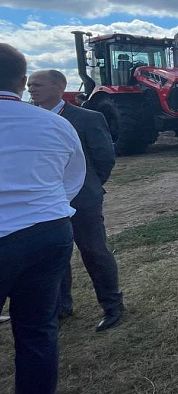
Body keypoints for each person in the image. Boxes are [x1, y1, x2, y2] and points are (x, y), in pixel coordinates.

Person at [0, 43, 85, 393]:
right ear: (21, 82)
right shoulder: (55, 124)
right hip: (48, 232)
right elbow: (72, 178)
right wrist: (44, 207)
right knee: (38, 329)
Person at [27, 70, 123, 332]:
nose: (31, 89)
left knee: (93, 250)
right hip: (46, 200)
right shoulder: (30, 120)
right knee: (54, 254)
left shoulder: (86, 118)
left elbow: (104, 158)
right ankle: (61, 306)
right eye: (28, 85)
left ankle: (112, 305)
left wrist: (88, 186)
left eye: (37, 84)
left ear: (60, 86)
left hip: (82, 199)